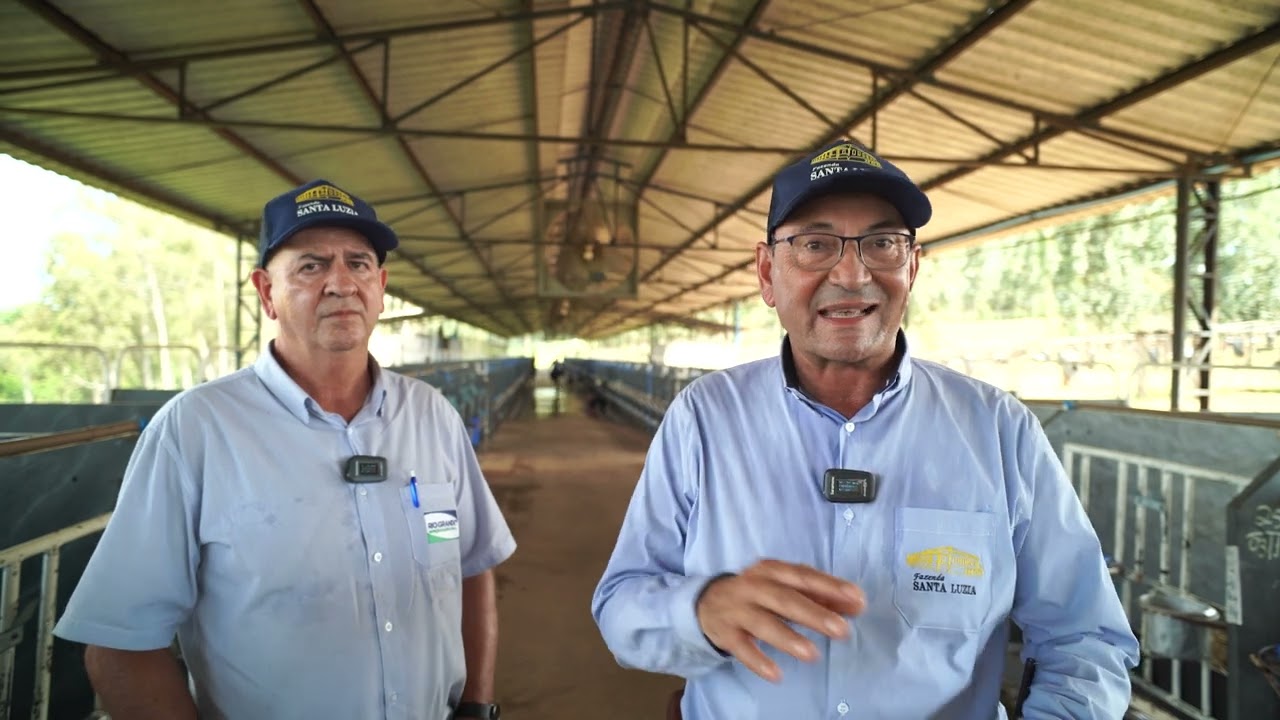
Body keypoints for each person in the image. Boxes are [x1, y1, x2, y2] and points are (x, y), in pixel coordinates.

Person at [591, 140, 1139, 719]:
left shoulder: (998, 430)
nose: (852, 275)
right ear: (766, 272)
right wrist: (698, 611)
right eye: (815, 245)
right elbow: (621, 602)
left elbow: (1085, 636)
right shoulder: (705, 418)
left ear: (913, 267)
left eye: (882, 244)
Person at [54, 179, 515, 720]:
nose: (341, 283)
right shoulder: (198, 429)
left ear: (382, 286)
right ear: (266, 293)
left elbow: (470, 564)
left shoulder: (432, 415)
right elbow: (118, 646)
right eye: (311, 266)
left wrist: (477, 706)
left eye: (359, 263)